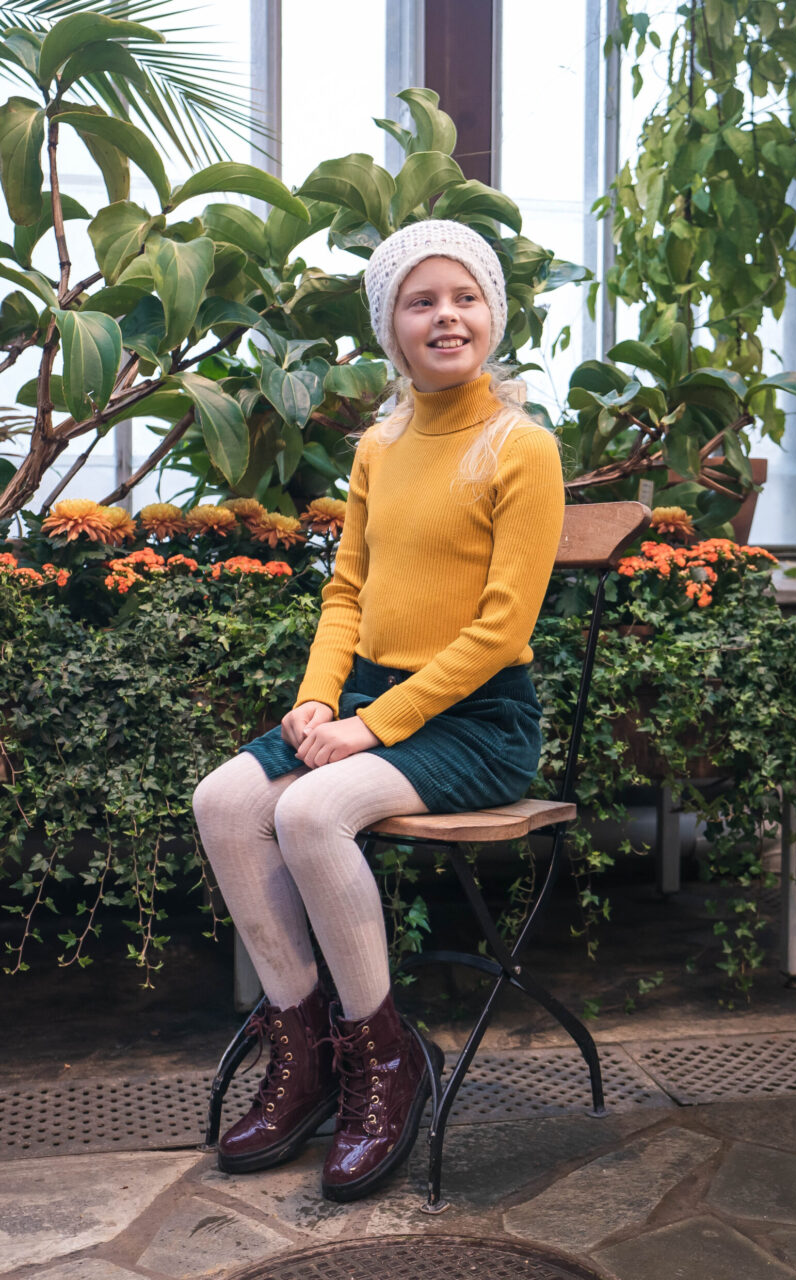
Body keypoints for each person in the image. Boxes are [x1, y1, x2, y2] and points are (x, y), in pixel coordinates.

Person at [192, 218, 566, 1202]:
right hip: (364, 700)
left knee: (310, 810)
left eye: (465, 296)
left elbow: (499, 628)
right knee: (225, 802)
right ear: (390, 328)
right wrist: (320, 700)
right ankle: (306, 1049)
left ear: (492, 312)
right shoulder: (380, 446)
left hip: (477, 720)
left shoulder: (519, 448)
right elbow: (346, 591)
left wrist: (368, 726)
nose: (447, 316)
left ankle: (384, 1062)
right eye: (421, 300)